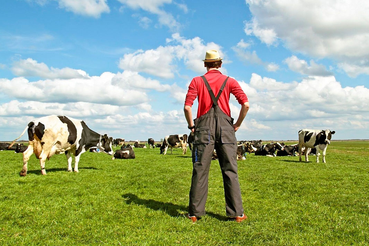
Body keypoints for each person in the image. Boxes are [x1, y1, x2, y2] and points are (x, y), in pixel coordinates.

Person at [184, 49, 250, 223]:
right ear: (220, 64)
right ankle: (237, 213)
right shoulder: (230, 81)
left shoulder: (196, 81)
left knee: (200, 170)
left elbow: (187, 107)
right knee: (230, 170)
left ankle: (194, 214)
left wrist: (192, 126)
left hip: (203, 128)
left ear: (205, 64)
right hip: (226, 128)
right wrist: (237, 125)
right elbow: (246, 104)